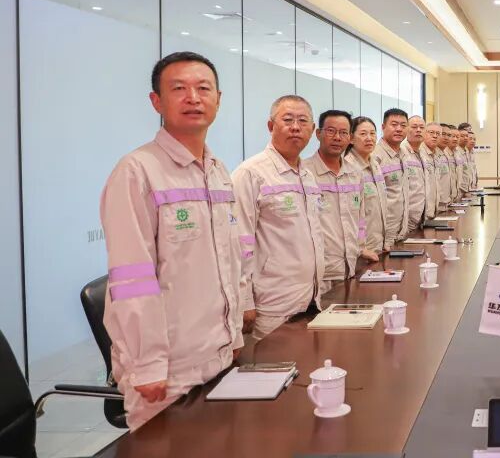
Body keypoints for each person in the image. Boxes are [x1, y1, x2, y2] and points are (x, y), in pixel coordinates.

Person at [100, 52, 243, 430]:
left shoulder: (217, 171)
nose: (193, 98)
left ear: (218, 100)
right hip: (169, 371)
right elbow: (132, 279)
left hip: (218, 354)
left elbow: (228, 260)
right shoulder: (137, 171)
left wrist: (235, 333)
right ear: (157, 102)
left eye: (203, 88)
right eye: (179, 89)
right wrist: (147, 364)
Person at [233, 95, 324, 342]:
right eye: (288, 120)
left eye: (302, 121)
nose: (295, 127)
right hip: (271, 305)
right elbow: (238, 241)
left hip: (310, 299)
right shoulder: (250, 173)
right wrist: (244, 301)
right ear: (271, 126)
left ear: (312, 129)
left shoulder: (307, 176)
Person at [302, 110, 377, 291]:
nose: (337, 137)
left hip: (351, 268)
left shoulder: (355, 173)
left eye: (343, 133)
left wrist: (360, 248)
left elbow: (360, 219)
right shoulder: (304, 173)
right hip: (318, 275)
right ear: (318, 133)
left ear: (350, 138)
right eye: (331, 131)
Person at [347, 116, 390, 252]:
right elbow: (351, 216)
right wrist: (361, 249)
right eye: (363, 134)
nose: (369, 138)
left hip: (379, 246)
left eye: (372, 133)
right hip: (361, 250)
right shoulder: (348, 168)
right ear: (351, 138)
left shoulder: (375, 164)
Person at [373, 108, 410, 243]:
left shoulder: (404, 153)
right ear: (383, 127)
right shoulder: (375, 156)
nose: (399, 129)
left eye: (403, 125)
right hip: (382, 235)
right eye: (394, 125)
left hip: (402, 230)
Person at [402, 115, 428, 231]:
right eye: (414, 127)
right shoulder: (401, 152)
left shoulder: (422, 153)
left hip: (422, 217)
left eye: (422, 127)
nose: (418, 130)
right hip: (406, 219)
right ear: (407, 129)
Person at [419, 122, 443, 217]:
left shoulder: (437, 155)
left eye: (438, 134)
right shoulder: (419, 153)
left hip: (434, 210)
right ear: (424, 134)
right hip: (422, 213)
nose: (435, 136)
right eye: (431, 132)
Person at [435, 125, 454, 211]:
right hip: (437, 205)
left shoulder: (446, 154)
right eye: (443, 134)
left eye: (449, 135)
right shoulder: (432, 154)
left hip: (447, 202)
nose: (446, 138)